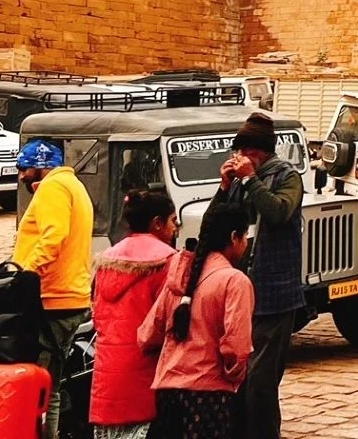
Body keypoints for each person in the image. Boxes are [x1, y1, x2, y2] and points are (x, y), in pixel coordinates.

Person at [211, 114, 303, 439]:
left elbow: (278, 212)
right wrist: (224, 189)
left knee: (261, 385)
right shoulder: (238, 182)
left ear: (259, 151)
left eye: (244, 151)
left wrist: (251, 181)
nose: (239, 158)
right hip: (238, 294)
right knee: (237, 381)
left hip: (276, 293)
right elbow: (215, 225)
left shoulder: (287, 177)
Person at [139, 200, 255, 439]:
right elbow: (237, 348)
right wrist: (234, 378)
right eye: (244, 236)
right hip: (209, 395)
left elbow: (147, 335)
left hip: (168, 391)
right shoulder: (235, 281)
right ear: (234, 237)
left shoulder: (180, 276)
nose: (245, 243)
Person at [14, 138, 94, 439]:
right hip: (70, 295)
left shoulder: (52, 188)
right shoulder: (74, 186)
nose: (22, 177)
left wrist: (25, 275)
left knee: (38, 385)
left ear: (41, 168)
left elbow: (53, 238)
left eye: (25, 170)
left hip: (52, 298)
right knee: (53, 384)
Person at [91, 190, 178, 439]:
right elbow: (166, 321)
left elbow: (98, 318)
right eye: (173, 221)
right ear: (157, 223)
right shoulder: (167, 261)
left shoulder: (108, 260)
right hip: (146, 373)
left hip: (108, 374)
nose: (175, 229)